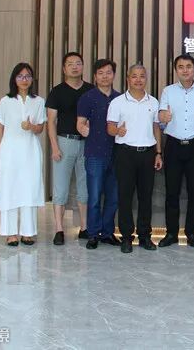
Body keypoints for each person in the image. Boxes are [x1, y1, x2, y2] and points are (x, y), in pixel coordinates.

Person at [157, 54, 194, 248]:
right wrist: (163, 117)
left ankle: (192, 233)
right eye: (180, 67)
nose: (185, 70)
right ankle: (171, 233)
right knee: (171, 191)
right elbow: (161, 117)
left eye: (188, 66)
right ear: (176, 70)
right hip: (173, 145)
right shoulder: (168, 91)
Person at [106, 64, 164, 253]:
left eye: (142, 76)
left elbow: (156, 128)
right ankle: (126, 237)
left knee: (145, 197)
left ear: (146, 78)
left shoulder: (153, 102)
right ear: (128, 79)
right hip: (125, 153)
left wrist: (158, 152)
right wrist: (118, 131)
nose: (138, 80)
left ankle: (145, 236)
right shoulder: (118, 102)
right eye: (134, 76)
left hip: (147, 153)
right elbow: (110, 128)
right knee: (125, 197)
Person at [0, 63, 46, 247]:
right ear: (14, 79)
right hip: (9, 151)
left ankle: (28, 232)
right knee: (9, 188)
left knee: (29, 189)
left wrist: (31, 126)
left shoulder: (38, 101)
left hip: (30, 151)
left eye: (28, 76)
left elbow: (40, 128)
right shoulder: (5, 101)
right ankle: (10, 233)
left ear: (32, 79)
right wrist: (1, 148)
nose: (24, 80)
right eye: (20, 76)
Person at [46, 52, 94, 245]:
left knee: (84, 187)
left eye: (78, 63)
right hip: (64, 142)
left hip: (86, 144)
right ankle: (59, 229)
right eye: (70, 64)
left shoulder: (91, 90)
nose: (75, 67)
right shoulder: (57, 92)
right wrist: (54, 147)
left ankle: (84, 227)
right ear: (64, 68)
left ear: (83, 66)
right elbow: (51, 122)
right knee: (60, 187)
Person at [76, 59, 122, 249]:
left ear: (114, 75)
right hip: (95, 154)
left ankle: (108, 233)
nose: (105, 76)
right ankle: (93, 234)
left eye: (108, 72)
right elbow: (80, 124)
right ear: (95, 76)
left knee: (113, 198)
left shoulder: (120, 99)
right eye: (101, 73)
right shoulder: (87, 98)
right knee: (94, 197)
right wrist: (86, 130)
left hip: (117, 154)